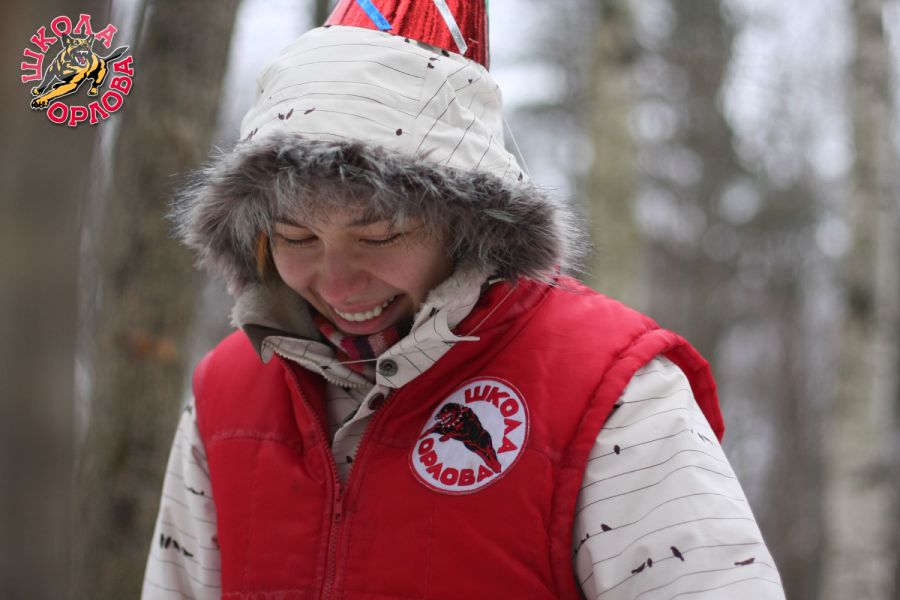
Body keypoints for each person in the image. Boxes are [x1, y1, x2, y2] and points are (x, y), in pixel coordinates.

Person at [142, 1, 785, 598]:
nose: (336, 284)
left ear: (467, 221)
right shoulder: (227, 394)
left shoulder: (611, 388)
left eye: (380, 235)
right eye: (297, 237)